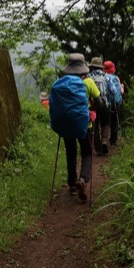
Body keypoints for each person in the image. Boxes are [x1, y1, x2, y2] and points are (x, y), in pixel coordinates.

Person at [49, 53, 98, 202]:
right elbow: (99, 102)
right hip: (84, 124)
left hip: (66, 124)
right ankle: (82, 179)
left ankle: (72, 185)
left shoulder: (61, 83)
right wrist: (93, 111)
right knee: (87, 152)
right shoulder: (88, 82)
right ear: (83, 67)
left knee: (71, 153)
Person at [87, 56, 114, 155]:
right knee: (105, 123)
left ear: (92, 67)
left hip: (93, 105)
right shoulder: (106, 76)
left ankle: (97, 147)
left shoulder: (89, 77)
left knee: (95, 124)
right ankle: (104, 141)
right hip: (105, 104)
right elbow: (113, 91)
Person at [103, 60, 124, 146]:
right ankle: (113, 141)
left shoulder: (103, 77)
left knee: (106, 121)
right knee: (114, 121)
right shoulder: (116, 78)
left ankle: (104, 139)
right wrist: (122, 87)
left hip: (105, 103)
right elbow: (121, 92)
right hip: (115, 103)